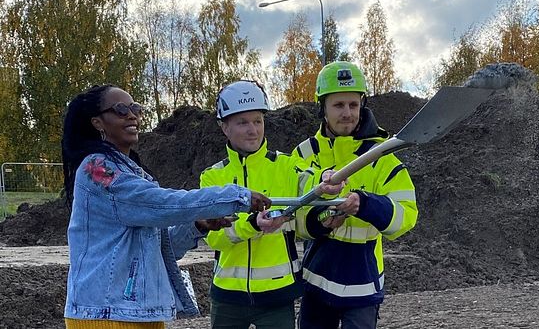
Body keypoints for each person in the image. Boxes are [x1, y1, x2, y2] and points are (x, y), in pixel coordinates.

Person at [62, 84, 272, 329]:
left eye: (136, 108)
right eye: (120, 109)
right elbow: (162, 204)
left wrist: (196, 226)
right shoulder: (97, 170)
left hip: (140, 313)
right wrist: (235, 196)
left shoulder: (133, 173)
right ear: (98, 123)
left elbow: (161, 249)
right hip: (104, 313)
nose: (132, 115)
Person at [199, 80, 344, 329]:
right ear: (224, 127)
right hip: (228, 300)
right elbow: (215, 238)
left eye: (258, 121)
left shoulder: (286, 166)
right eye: (242, 122)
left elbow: (311, 181)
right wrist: (254, 224)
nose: (252, 130)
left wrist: (326, 182)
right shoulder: (212, 177)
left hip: (277, 296)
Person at [294, 61, 419, 329]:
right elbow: (294, 219)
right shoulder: (304, 155)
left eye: (353, 104)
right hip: (317, 281)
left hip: (362, 286)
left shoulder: (382, 156)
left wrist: (366, 205)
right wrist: (321, 219)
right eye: (338, 105)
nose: (348, 113)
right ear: (322, 108)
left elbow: (406, 216)